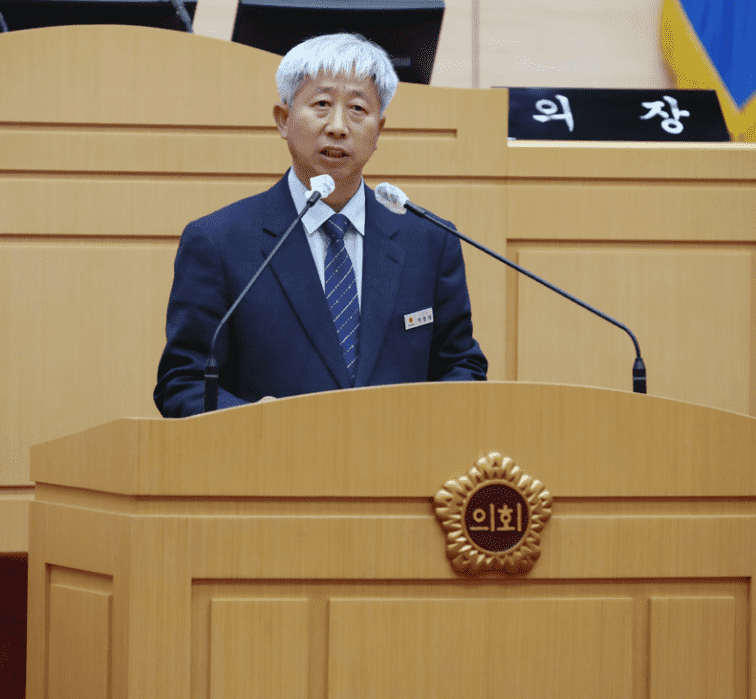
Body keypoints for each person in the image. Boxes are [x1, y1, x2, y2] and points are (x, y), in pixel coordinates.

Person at [154, 33, 487, 417]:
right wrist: (249, 422)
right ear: (283, 120)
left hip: (400, 451)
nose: (338, 126)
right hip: (272, 453)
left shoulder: (429, 241)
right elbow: (183, 382)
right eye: (322, 104)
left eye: (358, 109)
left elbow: (461, 366)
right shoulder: (218, 241)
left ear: (379, 130)